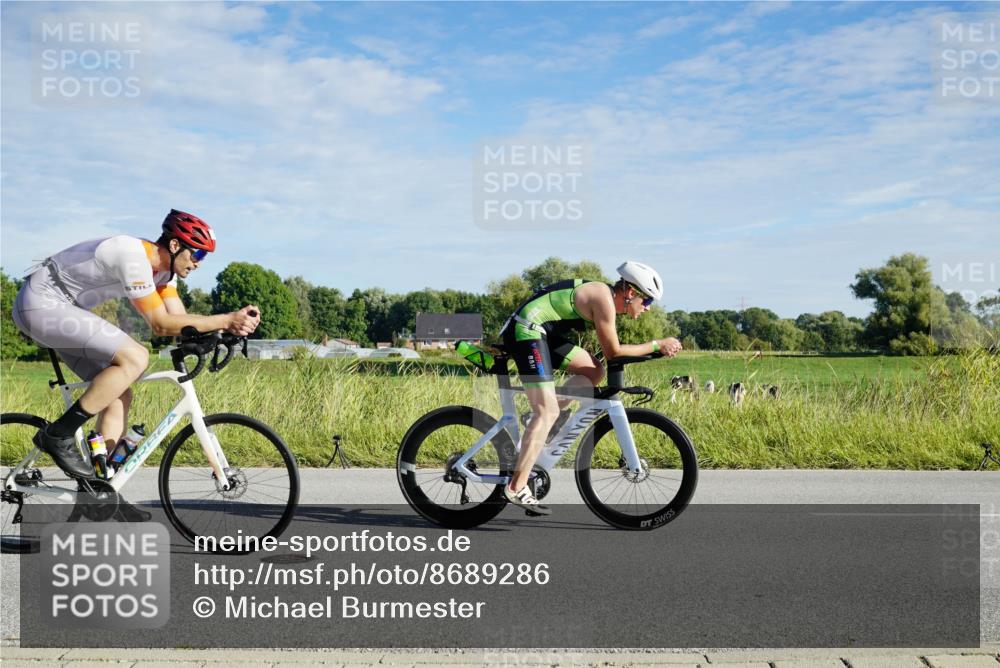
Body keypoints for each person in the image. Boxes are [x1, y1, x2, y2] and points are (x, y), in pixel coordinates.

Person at [12, 210, 261, 492]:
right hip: (42, 303)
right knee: (136, 357)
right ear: (175, 245)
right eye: (198, 254)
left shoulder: (165, 273)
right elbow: (160, 324)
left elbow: (180, 321)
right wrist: (226, 319)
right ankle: (59, 434)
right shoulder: (132, 257)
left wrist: (223, 333)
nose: (199, 263)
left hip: (65, 310)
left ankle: (96, 487)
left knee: (118, 393)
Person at [499, 261, 682, 515]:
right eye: (647, 301)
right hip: (527, 329)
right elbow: (613, 351)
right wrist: (656, 345)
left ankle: (539, 419)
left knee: (595, 372)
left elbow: (609, 356)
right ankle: (516, 486)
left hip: (543, 332)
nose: (648, 308)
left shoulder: (606, 297)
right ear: (631, 293)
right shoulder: (603, 299)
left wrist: (657, 349)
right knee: (547, 411)